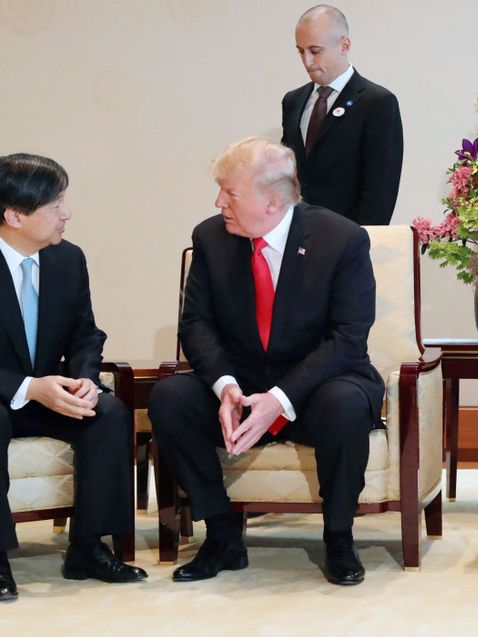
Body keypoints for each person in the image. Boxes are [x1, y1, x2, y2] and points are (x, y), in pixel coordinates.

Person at [148, 138, 384, 586]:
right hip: (242, 383)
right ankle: (220, 535)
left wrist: (280, 398)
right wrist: (225, 387)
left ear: (272, 201)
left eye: (229, 193)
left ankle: (338, 536)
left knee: (345, 404)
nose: (218, 202)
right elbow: (195, 324)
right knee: (171, 397)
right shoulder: (211, 237)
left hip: (318, 385)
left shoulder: (341, 239)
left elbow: (348, 338)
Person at [0, 154, 146, 602]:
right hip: (6, 394)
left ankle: (88, 546)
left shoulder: (67, 258)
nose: (67, 213)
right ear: (15, 215)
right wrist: (29, 388)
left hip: (52, 393)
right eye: (55, 204)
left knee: (108, 411)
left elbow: (85, 332)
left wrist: (83, 380)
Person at [281, 5, 403, 226]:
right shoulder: (293, 101)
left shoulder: (377, 102)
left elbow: (381, 188)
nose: (307, 61)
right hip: (297, 232)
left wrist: (363, 240)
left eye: (315, 51)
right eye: (301, 51)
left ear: (344, 45)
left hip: (347, 237)